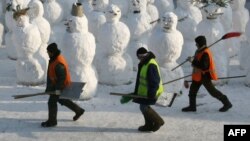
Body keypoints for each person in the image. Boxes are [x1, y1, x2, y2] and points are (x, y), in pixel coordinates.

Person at [182, 35, 232, 112]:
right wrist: (192, 59)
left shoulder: (205, 53)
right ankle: (192, 107)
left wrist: (193, 61)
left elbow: (203, 66)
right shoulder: (199, 51)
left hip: (205, 76)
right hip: (197, 75)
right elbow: (197, 61)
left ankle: (227, 103)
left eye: (197, 43)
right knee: (192, 91)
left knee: (213, 92)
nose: (195, 45)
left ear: (200, 44)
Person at [120, 47, 164, 132]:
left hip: (151, 91)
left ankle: (158, 121)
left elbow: (155, 81)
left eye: (138, 57)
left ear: (141, 56)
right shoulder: (145, 63)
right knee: (143, 106)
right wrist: (136, 92)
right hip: (145, 91)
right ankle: (149, 124)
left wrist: (152, 93)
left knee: (144, 107)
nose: (138, 59)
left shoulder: (150, 65)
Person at [41, 43, 85, 127]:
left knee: (52, 102)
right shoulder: (54, 58)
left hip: (61, 86)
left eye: (48, 52)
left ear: (52, 52)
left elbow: (62, 78)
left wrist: (58, 89)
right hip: (57, 85)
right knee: (62, 100)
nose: (47, 53)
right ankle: (78, 110)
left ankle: (52, 121)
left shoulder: (58, 63)